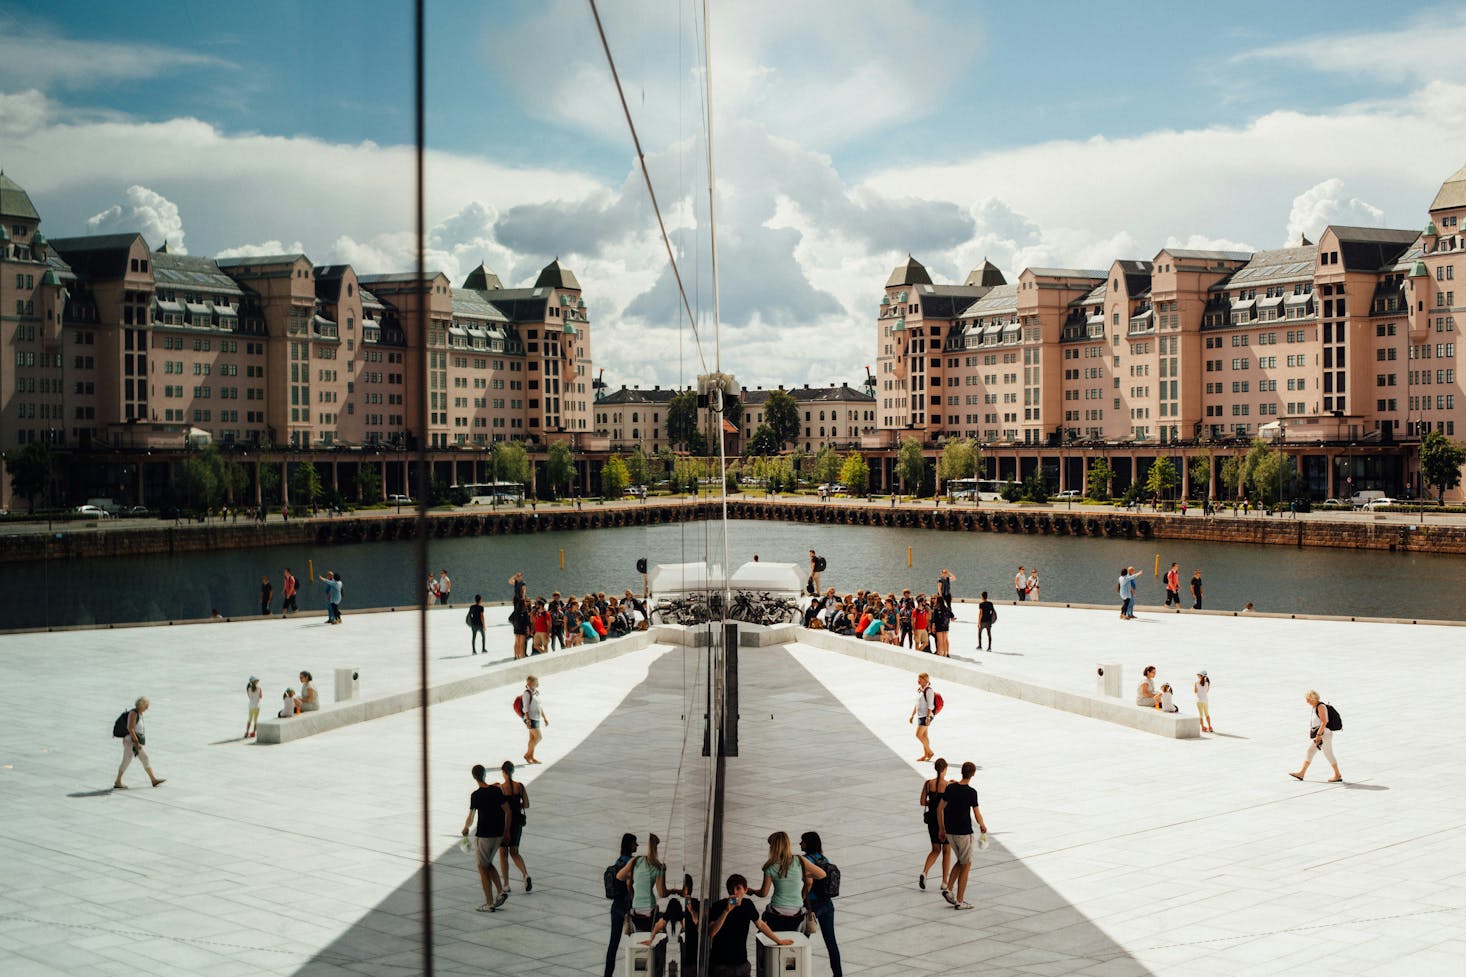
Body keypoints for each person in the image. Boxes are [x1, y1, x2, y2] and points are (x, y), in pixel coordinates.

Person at [707, 874, 793, 976]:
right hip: (721, 965)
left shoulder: (747, 905)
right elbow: (711, 932)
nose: (735, 892)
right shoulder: (718, 906)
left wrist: (779, 941)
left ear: (745, 890)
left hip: (742, 964)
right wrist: (726, 911)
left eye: (738, 888)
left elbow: (760, 925)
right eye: (731, 889)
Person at [938, 760, 988, 910]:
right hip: (964, 833)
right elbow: (976, 813)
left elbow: (939, 809)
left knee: (961, 860)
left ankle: (948, 889)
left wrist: (942, 829)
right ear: (973, 774)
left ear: (962, 772)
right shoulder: (971, 793)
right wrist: (982, 825)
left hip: (950, 833)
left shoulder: (951, 788)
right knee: (966, 864)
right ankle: (959, 901)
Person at [752, 831, 825, 932]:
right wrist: (801, 874)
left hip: (776, 910)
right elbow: (821, 874)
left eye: (770, 845)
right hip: (796, 912)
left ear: (775, 847)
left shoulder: (769, 866)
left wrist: (752, 891)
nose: (769, 848)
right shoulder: (799, 860)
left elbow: (763, 893)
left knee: (763, 933)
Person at [461, 764, 511, 911]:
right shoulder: (496, 791)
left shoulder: (476, 796)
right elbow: (508, 811)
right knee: (487, 863)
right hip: (498, 834)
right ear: (485, 774)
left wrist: (466, 828)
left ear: (474, 777)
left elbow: (471, 817)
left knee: (482, 867)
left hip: (484, 835)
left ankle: (489, 904)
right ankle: (501, 892)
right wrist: (506, 831)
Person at [799, 832, 842, 977]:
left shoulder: (805, 860)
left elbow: (808, 882)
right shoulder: (824, 858)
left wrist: (801, 898)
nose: (800, 844)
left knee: (800, 942)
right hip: (827, 904)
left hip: (812, 905)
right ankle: (838, 975)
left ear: (808, 843)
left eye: (802, 841)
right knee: (831, 943)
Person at [617, 832, 672, 931]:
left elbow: (620, 876)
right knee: (654, 936)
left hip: (636, 907)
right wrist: (674, 890)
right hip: (650, 908)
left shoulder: (635, 861)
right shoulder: (659, 867)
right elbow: (662, 893)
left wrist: (632, 875)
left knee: (639, 934)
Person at [1290, 691, 1343, 783]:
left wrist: (1318, 735)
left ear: (1313, 699)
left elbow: (1324, 722)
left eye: (1308, 699)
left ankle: (1337, 775)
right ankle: (1302, 773)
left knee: (1327, 754)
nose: (1307, 702)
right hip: (1322, 734)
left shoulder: (1321, 707)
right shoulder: (1315, 707)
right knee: (1314, 752)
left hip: (1324, 734)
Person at [919, 757, 952, 899]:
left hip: (932, 820)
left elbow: (922, 802)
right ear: (945, 769)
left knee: (935, 849)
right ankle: (945, 882)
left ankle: (925, 872)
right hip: (945, 820)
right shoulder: (948, 785)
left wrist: (932, 802)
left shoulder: (928, 784)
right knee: (947, 851)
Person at [605, 833, 638, 976]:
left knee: (613, 945)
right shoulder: (631, 862)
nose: (637, 845)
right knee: (639, 943)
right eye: (635, 843)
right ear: (630, 845)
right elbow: (629, 884)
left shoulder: (619, 861)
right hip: (628, 907)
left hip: (616, 908)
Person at [114, 696, 164, 789]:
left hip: (133, 741)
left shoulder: (139, 713)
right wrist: (136, 742)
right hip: (131, 741)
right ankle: (118, 781)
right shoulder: (133, 713)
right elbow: (130, 728)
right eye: (146, 706)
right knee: (127, 760)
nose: (147, 708)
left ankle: (153, 780)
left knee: (143, 758)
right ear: (142, 706)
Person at [498, 761, 531, 893]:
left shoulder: (501, 788)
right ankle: (525, 874)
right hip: (517, 822)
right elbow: (527, 804)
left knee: (503, 852)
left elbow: (501, 807)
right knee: (514, 852)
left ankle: (506, 884)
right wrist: (517, 806)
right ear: (512, 771)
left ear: (503, 772)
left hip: (505, 822)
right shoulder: (520, 786)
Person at [909, 672, 937, 762]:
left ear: (925, 680)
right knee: (924, 736)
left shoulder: (929, 691)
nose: (918, 680)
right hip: (920, 715)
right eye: (918, 679)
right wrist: (912, 715)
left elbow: (930, 706)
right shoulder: (920, 690)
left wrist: (928, 717)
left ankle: (929, 752)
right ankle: (925, 755)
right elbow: (917, 704)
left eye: (920, 679)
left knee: (918, 734)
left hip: (926, 716)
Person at [520, 676, 547, 764]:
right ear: (530, 683)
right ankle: (527, 755)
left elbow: (539, 706)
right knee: (539, 737)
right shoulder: (527, 693)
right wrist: (528, 720)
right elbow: (525, 708)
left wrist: (544, 717)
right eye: (535, 682)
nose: (537, 683)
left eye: (537, 681)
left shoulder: (536, 693)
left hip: (536, 718)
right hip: (530, 718)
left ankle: (531, 757)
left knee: (532, 739)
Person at [509, 572, 529, 658]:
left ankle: (517, 656)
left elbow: (524, 591)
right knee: (519, 640)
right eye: (517, 576)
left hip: (519, 601)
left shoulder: (523, 583)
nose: (518, 577)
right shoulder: (516, 582)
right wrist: (514, 575)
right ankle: (519, 656)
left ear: (521, 576)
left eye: (519, 576)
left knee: (517, 640)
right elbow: (510, 581)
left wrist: (523, 597)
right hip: (518, 602)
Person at [930, 592, 952, 657]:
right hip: (945, 626)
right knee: (945, 640)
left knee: (940, 641)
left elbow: (934, 619)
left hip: (939, 626)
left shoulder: (936, 608)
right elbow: (952, 615)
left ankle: (940, 653)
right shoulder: (947, 608)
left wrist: (933, 627)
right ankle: (945, 653)